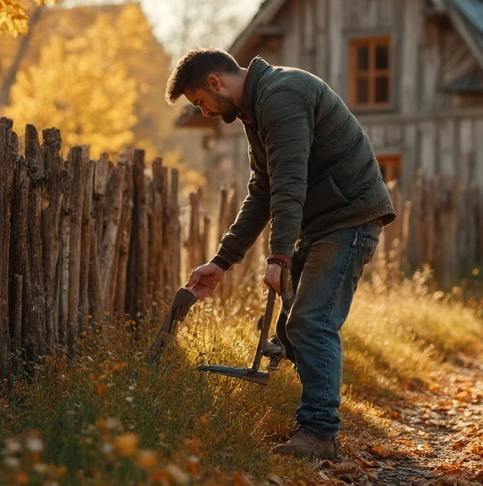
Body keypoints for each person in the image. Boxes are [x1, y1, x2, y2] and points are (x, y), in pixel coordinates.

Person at [167, 49, 395, 461]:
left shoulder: (282, 95)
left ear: (216, 82)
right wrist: (221, 262)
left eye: (199, 101)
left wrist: (279, 257)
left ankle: (320, 434)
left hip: (349, 219)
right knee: (292, 326)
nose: (202, 113)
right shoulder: (255, 109)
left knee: (312, 321)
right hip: (326, 221)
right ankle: (304, 395)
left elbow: (290, 180)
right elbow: (264, 192)